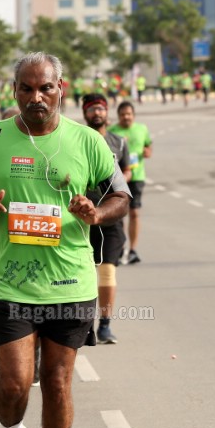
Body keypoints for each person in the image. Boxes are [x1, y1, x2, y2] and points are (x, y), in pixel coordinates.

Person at [0, 52, 130, 428]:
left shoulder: (88, 141)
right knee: (14, 384)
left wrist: (97, 213)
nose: (36, 97)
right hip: (11, 285)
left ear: (61, 89)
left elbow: (121, 197)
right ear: (14, 91)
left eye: (45, 88)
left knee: (56, 382)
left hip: (71, 282)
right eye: (27, 88)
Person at [80, 94, 130, 345]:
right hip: (82, 220)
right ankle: (86, 324)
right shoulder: (78, 141)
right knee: (87, 273)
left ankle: (106, 326)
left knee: (108, 270)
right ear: (85, 113)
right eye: (92, 110)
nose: (97, 113)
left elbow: (127, 169)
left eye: (101, 109)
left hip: (111, 219)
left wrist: (118, 189)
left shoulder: (118, 142)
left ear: (107, 112)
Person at [108, 102, 152, 264]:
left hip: (137, 176)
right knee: (118, 215)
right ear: (118, 116)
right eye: (123, 114)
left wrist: (147, 152)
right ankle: (119, 249)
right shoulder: (112, 132)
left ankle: (133, 250)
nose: (126, 117)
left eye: (129, 114)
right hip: (117, 178)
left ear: (133, 115)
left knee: (134, 213)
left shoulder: (142, 129)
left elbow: (148, 148)